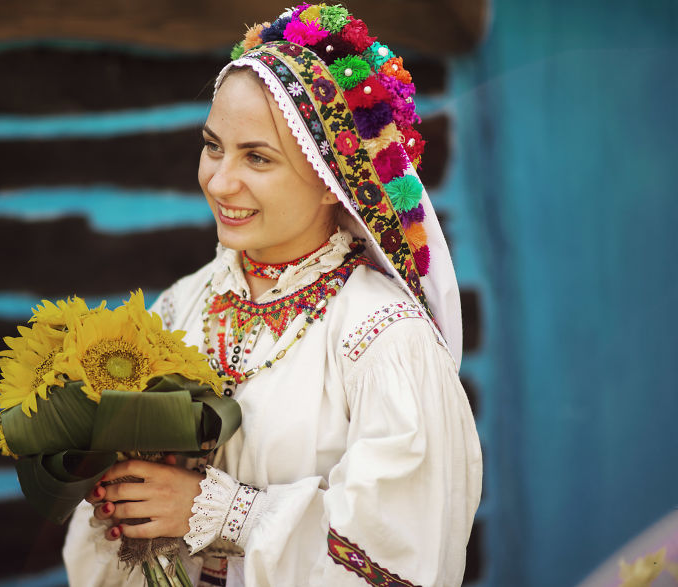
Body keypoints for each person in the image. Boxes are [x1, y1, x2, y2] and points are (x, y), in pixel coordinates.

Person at [63, 4, 482, 586]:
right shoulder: (180, 308)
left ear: (331, 181)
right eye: (214, 146)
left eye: (257, 157)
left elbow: (404, 554)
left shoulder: (384, 340)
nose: (220, 180)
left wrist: (221, 511)